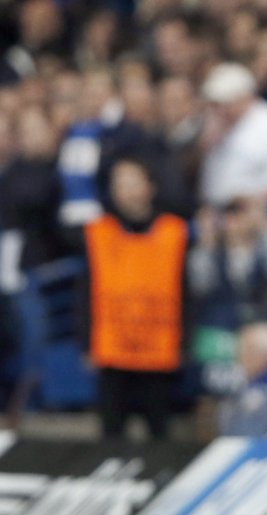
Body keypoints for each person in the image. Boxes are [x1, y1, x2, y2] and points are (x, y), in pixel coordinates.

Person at [84, 154, 188, 441]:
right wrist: (86, 342)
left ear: (149, 186)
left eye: (133, 182)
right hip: (112, 351)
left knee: (159, 434)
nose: (127, 190)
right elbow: (85, 290)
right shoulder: (97, 232)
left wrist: (184, 342)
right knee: (111, 433)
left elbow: (187, 292)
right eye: (120, 183)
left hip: (159, 350)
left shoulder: (174, 231)